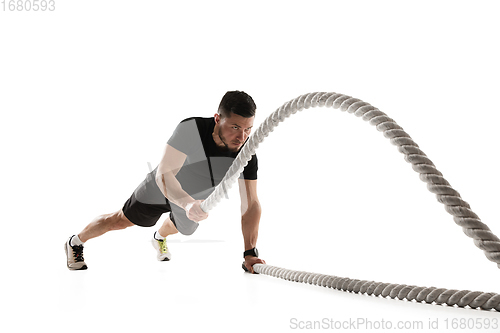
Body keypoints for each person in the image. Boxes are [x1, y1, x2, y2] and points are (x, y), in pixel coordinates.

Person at [64, 91, 266, 273]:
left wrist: (249, 252)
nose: (242, 137)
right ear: (217, 119)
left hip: (192, 199)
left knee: (183, 228)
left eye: (248, 129)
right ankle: (76, 242)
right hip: (160, 188)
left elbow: (251, 204)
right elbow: (164, 174)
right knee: (119, 221)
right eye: (235, 127)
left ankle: (159, 238)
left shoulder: (246, 154)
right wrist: (187, 204)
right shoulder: (192, 128)